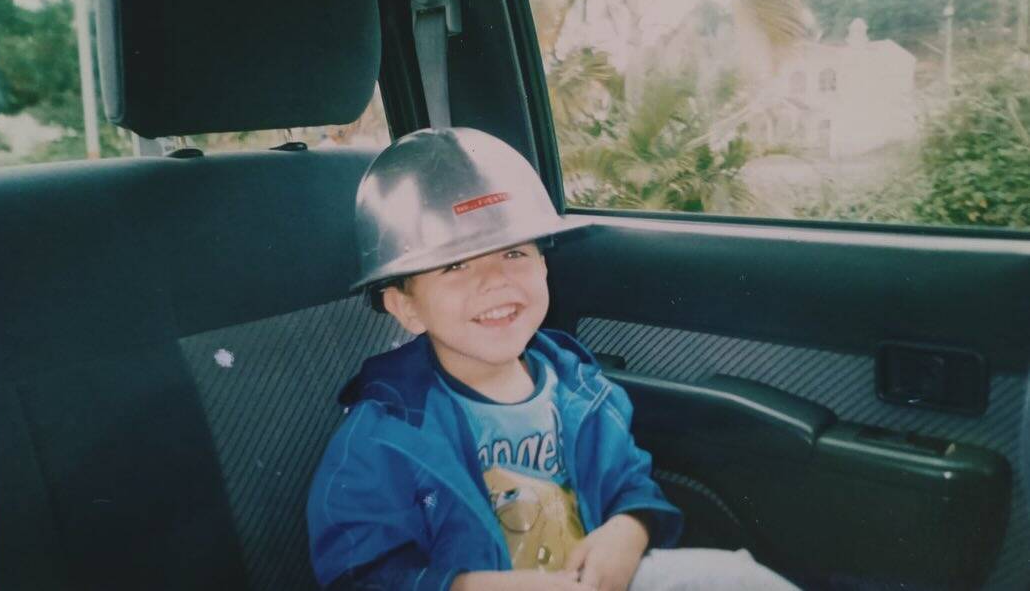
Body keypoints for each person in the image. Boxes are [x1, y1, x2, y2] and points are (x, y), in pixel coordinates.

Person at [307, 127, 799, 591]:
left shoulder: (580, 388)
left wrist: (630, 529)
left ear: (543, 264)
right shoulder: (385, 435)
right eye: (454, 265)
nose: (494, 280)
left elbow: (630, 483)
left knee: (735, 578)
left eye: (514, 253)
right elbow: (362, 573)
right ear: (406, 307)